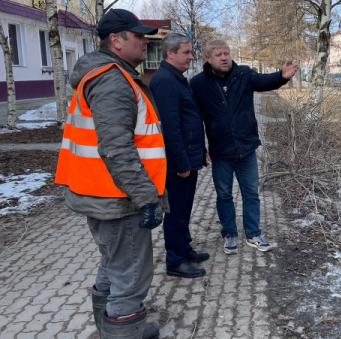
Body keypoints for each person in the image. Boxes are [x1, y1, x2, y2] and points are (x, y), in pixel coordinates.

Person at [55, 9, 165, 338]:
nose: (145, 42)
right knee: (130, 276)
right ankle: (123, 330)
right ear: (116, 41)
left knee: (113, 265)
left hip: (104, 195)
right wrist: (147, 199)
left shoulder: (108, 75)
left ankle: (109, 328)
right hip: (119, 200)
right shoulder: (112, 81)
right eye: (138, 36)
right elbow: (117, 148)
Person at [190, 40, 298, 254]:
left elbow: (264, 81)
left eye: (226, 53)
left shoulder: (244, 74)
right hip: (220, 152)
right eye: (218, 54)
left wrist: (281, 76)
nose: (224, 57)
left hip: (246, 148)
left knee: (251, 193)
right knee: (224, 195)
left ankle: (253, 233)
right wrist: (200, 149)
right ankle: (230, 233)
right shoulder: (198, 84)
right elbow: (195, 119)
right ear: (208, 59)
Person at [150, 33, 209, 278]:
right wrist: (182, 162)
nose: (190, 56)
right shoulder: (165, 81)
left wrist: (200, 151)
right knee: (176, 210)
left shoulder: (176, 78)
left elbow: (189, 120)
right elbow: (171, 127)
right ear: (170, 54)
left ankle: (184, 248)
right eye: (186, 52)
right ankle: (175, 260)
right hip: (178, 162)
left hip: (189, 156)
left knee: (185, 208)